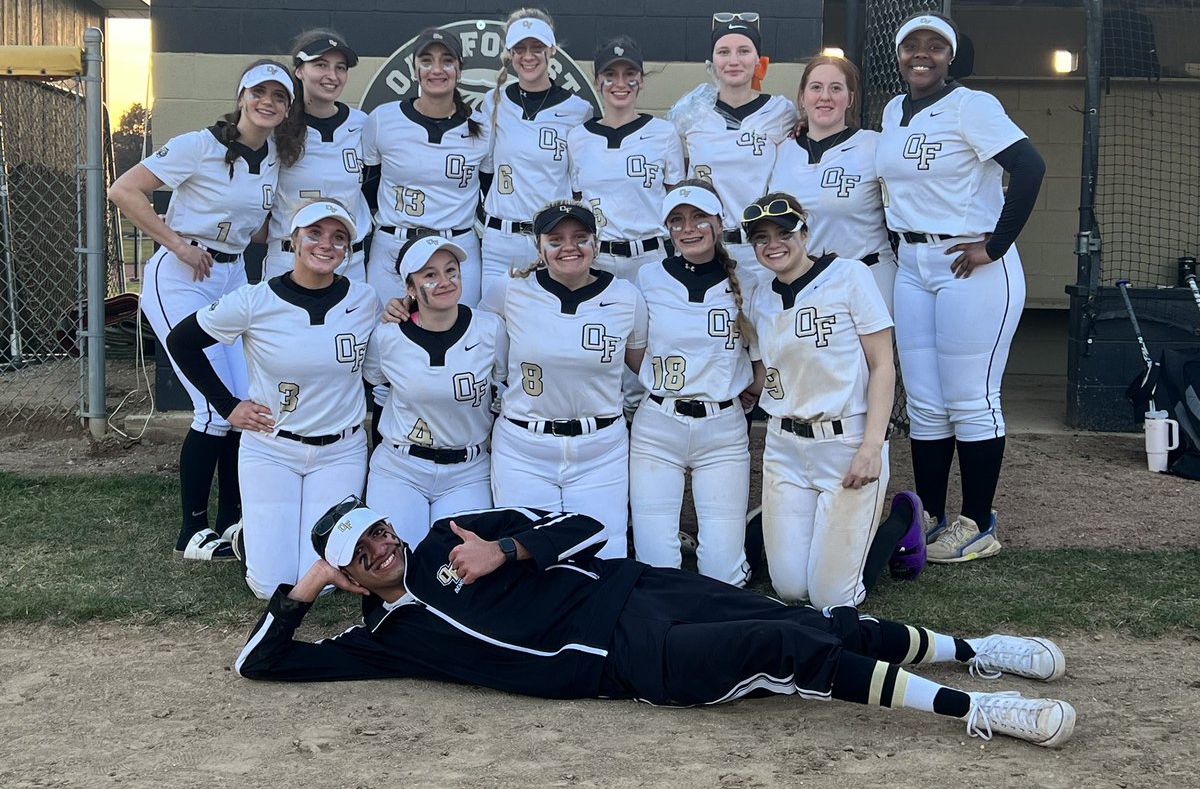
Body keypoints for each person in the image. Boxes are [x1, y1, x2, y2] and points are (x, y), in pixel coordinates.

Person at [236, 498, 1077, 750]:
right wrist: (300, 592)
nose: (384, 548)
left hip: (643, 588)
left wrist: (512, 550)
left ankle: (980, 653)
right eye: (360, 551)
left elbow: (584, 528)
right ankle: (975, 713)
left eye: (381, 530)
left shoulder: (448, 537)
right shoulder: (375, 642)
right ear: (346, 574)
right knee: (786, 648)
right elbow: (258, 667)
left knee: (820, 620)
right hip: (629, 659)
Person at [108, 59, 305, 562]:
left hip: (233, 273)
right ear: (242, 96)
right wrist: (176, 244)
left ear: (287, 109)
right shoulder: (200, 144)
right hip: (181, 275)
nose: (268, 103)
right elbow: (124, 190)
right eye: (259, 92)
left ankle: (233, 523)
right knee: (214, 406)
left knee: (245, 402)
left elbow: (254, 227)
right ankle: (192, 533)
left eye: (279, 97)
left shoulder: (274, 159)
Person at [876, 12, 1045, 564]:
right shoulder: (893, 110)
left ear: (951, 57)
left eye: (934, 46)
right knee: (925, 403)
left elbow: (1031, 165)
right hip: (914, 264)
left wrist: (994, 245)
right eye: (911, 46)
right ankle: (930, 514)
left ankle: (979, 522)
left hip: (970, 262)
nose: (920, 54)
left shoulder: (971, 105)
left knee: (970, 399)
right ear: (898, 55)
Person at [166, 199, 382, 598]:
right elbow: (181, 341)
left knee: (320, 584)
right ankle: (253, 534)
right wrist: (227, 405)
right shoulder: (255, 300)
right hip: (272, 448)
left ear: (348, 250)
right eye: (314, 234)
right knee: (270, 586)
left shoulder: (365, 299)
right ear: (293, 241)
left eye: (338, 237)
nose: (325, 244)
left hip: (340, 450)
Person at [740, 193, 895, 608]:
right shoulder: (760, 297)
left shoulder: (849, 276)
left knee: (832, 598)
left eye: (784, 233)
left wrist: (872, 446)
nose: (773, 244)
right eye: (761, 238)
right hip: (785, 446)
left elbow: (882, 365)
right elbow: (764, 369)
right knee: (790, 589)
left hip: (845, 441)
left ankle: (899, 526)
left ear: (804, 233)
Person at [481, 201, 646, 558]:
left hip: (600, 447)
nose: (569, 247)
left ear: (596, 244)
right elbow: (464, 335)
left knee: (603, 558)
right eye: (555, 239)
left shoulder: (626, 297)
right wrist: (407, 306)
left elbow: (644, 367)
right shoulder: (509, 290)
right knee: (524, 561)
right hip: (525, 446)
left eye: (580, 237)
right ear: (539, 247)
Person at [629, 181, 754, 585]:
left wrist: (740, 387)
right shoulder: (647, 278)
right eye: (678, 220)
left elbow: (762, 357)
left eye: (700, 216)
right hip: (658, 425)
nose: (689, 228)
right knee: (657, 570)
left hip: (722, 429)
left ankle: (753, 537)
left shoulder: (750, 280)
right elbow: (636, 352)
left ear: (719, 221)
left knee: (722, 575)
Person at [363, 234, 507, 546]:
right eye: (430, 275)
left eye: (451, 271)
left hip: (468, 469)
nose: (444, 281)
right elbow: (374, 378)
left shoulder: (490, 329)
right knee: (400, 565)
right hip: (401, 467)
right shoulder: (386, 336)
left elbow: (505, 383)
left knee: (455, 571)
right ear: (409, 288)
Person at [361, 28, 488, 305]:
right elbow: (368, 186)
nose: (437, 69)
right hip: (394, 245)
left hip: (456, 246)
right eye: (427, 60)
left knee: (458, 336)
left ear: (459, 70)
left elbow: (488, 190)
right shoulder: (383, 119)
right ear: (414, 68)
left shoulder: (481, 128)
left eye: (447, 61)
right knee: (389, 334)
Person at [668, 12, 798, 278]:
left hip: (762, 247)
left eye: (744, 51)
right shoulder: (689, 113)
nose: (734, 60)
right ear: (712, 61)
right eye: (724, 52)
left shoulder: (781, 112)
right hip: (709, 248)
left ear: (757, 60)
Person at [479, 8, 593, 295]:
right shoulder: (494, 101)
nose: (527, 56)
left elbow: (580, 184)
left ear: (551, 50)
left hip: (548, 240)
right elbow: (485, 171)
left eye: (536, 48)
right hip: (499, 241)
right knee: (493, 327)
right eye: (519, 49)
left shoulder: (577, 110)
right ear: (509, 53)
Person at [769, 55, 895, 313]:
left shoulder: (875, 145)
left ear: (850, 98)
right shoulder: (780, 150)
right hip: (801, 283)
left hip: (867, 277)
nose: (825, 96)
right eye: (816, 87)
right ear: (802, 96)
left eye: (836, 88)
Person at [567, 36, 684, 283]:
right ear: (597, 80)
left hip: (651, 257)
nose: (620, 83)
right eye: (610, 74)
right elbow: (577, 200)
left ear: (641, 79)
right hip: (598, 259)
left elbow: (676, 200)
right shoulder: (578, 138)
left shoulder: (663, 133)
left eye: (629, 73)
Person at [262, 30, 371, 283]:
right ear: (299, 70)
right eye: (321, 65)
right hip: (288, 259)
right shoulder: (276, 126)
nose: (332, 76)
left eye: (340, 68)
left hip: (347, 262)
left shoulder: (363, 125)